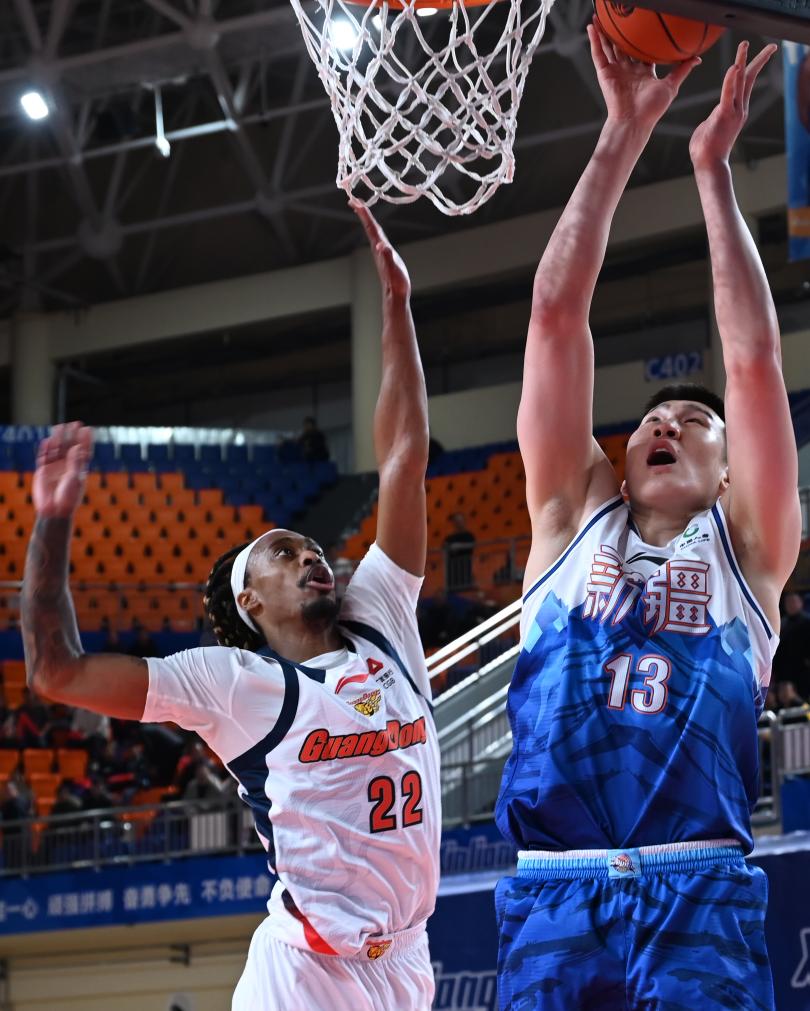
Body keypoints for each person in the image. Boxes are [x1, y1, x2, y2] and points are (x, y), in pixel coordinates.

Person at [21, 202, 439, 1011]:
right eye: (284, 551)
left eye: (312, 546)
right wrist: (55, 517)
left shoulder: (380, 616)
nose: (310, 555)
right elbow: (56, 670)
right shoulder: (234, 682)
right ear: (249, 600)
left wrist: (396, 304)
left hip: (407, 960)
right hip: (306, 974)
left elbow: (403, 455)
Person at [494, 27, 799, 1011]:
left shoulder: (749, 551)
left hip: (698, 887)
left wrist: (712, 171)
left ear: (727, 471)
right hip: (555, 891)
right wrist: (621, 132)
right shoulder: (568, 516)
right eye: (652, 419)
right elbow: (554, 315)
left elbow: (752, 358)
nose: (665, 422)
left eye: (693, 422)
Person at [773, 590, 810, 697]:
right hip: (784, 669)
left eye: (793, 601)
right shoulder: (782, 622)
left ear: (800, 603)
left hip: (803, 669)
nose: (790, 605)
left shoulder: (807, 621)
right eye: (788, 602)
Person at [443, 512, 476, 591]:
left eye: (460, 521)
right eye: (456, 521)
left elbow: (471, 545)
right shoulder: (449, 538)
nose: (458, 523)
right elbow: (444, 548)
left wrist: (458, 546)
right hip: (452, 569)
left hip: (465, 567)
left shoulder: (469, 535)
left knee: (465, 587)